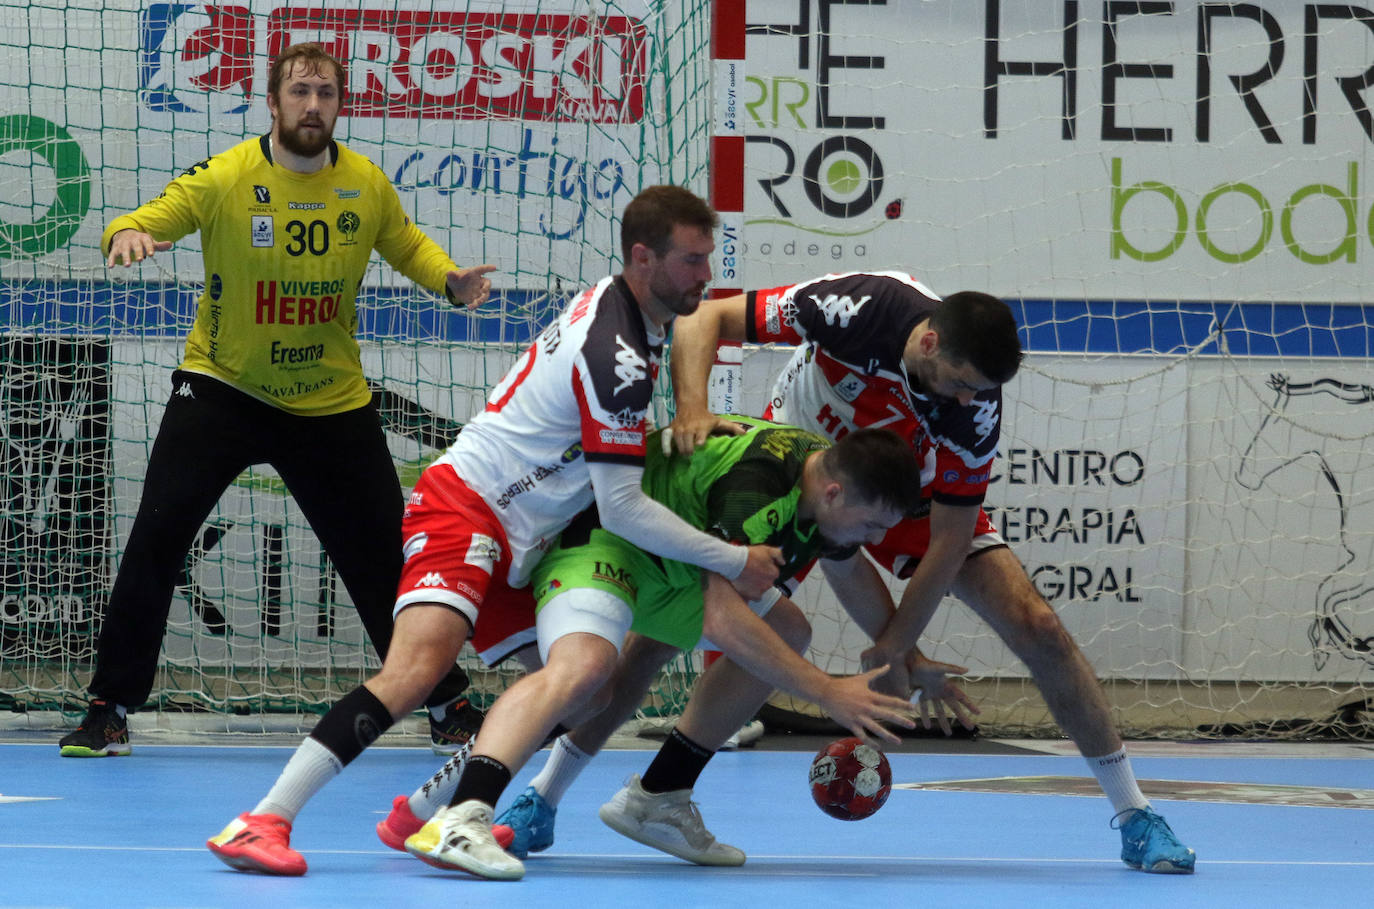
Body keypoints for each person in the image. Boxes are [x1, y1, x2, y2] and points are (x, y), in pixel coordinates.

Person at [205, 186, 913, 879]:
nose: (708, 277)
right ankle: (266, 818)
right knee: (418, 670)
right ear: (643, 258)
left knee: (587, 689)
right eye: (693, 261)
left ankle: (423, 811)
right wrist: (733, 557)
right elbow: (625, 508)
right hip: (469, 506)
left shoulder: (636, 322)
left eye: (708, 260)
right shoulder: (618, 355)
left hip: (529, 532)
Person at [658, 270, 1196, 874]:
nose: (970, 400)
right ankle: (628, 791)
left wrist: (894, 650)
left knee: (1037, 624)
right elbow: (705, 317)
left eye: (981, 391)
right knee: (712, 612)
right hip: (812, 467)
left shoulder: (974, 407)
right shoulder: (859, 307)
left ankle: (1135, 814)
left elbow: (950, 539)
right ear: (930, 343)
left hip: (911, 490)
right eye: (963, 383)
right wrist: (693, 410)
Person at [58, 43, 490, 759]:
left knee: (387, 557)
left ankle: (447, 702)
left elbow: (407, 242)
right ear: (273, 102)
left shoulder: (365, 184)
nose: (313, 104)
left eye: (325, 92)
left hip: (329, 401)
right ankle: (108, 707)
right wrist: (128, 232)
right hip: (222, 388)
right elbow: (153, 214)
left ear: (340, 104)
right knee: (157, 540)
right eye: (300, 92)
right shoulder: (230, 175)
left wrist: (448, 278)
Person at [395, 417, 925, 878]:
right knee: (584, 681)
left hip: (665, 557)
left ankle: (607, 799)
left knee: (753, 636)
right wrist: (827, 691)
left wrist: (906, 657)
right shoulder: (760, 489)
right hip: (607, 543)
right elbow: (722, 617)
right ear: (835, 493)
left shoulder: (820, 482)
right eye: (872, 524)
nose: (871, 538)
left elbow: (847, 569)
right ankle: (468, 809)